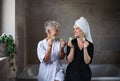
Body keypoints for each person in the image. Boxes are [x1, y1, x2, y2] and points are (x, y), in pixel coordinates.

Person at [65, 17, 94, 81]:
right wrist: (72, 48)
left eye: (77, 29)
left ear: (83, 30)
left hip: (84, 72)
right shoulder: (71, 42)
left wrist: (85, 48)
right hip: (72, 72)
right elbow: (69, 60)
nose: (74, 31)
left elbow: (87, 62)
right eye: (74, 29)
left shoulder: (90, 44)